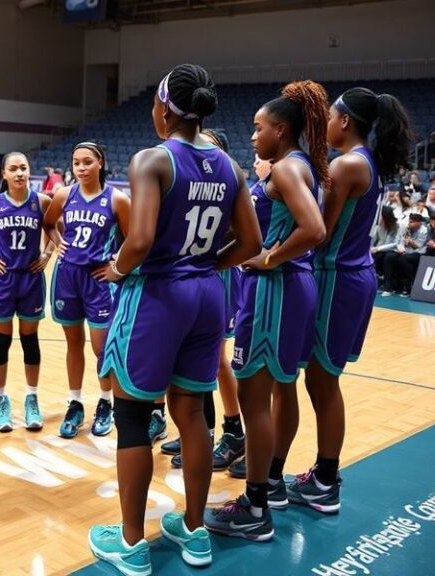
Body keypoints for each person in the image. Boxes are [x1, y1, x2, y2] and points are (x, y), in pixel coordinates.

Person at [88, 64, 261, 574]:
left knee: (132, 416)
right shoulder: (230, 166)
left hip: (159, 296)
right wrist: (208, 266)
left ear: (164, 107)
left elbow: (139, 240)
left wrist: (117, 269)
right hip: (207, 296)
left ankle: (131, 544)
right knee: (193, 413)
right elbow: (251, 242)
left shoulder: (152, 159)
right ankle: (195, 530)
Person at [205, 80, 328, 541]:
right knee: (282, 387)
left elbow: (314, 229)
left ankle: (254, 507)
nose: (253, 135)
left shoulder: (287, 170)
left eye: (259, 128)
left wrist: (271, 258)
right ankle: (271, 483)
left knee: (254, 398)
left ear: (281, 129)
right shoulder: (295, 165)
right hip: (290, 288)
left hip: (275, 290)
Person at [294, 87, 414, 513]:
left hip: (339, 277)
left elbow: (319, 230)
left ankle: (326, 480)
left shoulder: (347, 165)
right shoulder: (366, 162)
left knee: (323, 380)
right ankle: (323, 473)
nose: (326, 123)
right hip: (353, 274)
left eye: (330, 116)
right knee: (322, 378)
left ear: (344, 121)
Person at [162, 130, 254, 475]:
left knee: (214, 360)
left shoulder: (228, 184)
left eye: (211, 148)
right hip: (195, 277)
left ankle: (230, 430)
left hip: (219, 275)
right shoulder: (191, 184)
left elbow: (242, 236)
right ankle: (203, 430)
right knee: (195, 358)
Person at [42, 142, 130, 439]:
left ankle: (106, 402)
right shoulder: (64, 195)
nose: (81, 168)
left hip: (99, 280)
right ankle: (75, 403)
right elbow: (48, 223)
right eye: (76, 162)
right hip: (67, 276)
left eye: (87, 162)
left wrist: (116, 266)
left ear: (100, 163)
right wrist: (57, 243)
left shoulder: (117, 199)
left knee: (100, 347)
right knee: (73, 343)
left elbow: (133, 239)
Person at [0, 152, 53, 432]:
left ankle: (32, 398)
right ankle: (1, 400)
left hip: (31, 279)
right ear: (4, 174)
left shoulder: (42, 201)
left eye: (23, 168)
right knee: (2, 340)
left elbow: (54, 229)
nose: (19, 173)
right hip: (2, 280)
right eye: (13, 169)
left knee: (30, 340)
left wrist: (47, 254)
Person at [372, 205, 403, 283]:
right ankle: (373, 279)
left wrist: (378, 248)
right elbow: (373, 240)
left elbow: (396, 243)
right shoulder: (378, 226)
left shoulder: (399, 226)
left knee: (388, 256)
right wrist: (370, 248)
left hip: (393, 250)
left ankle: (387, 283)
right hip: (381, 249)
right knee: (374, 256)